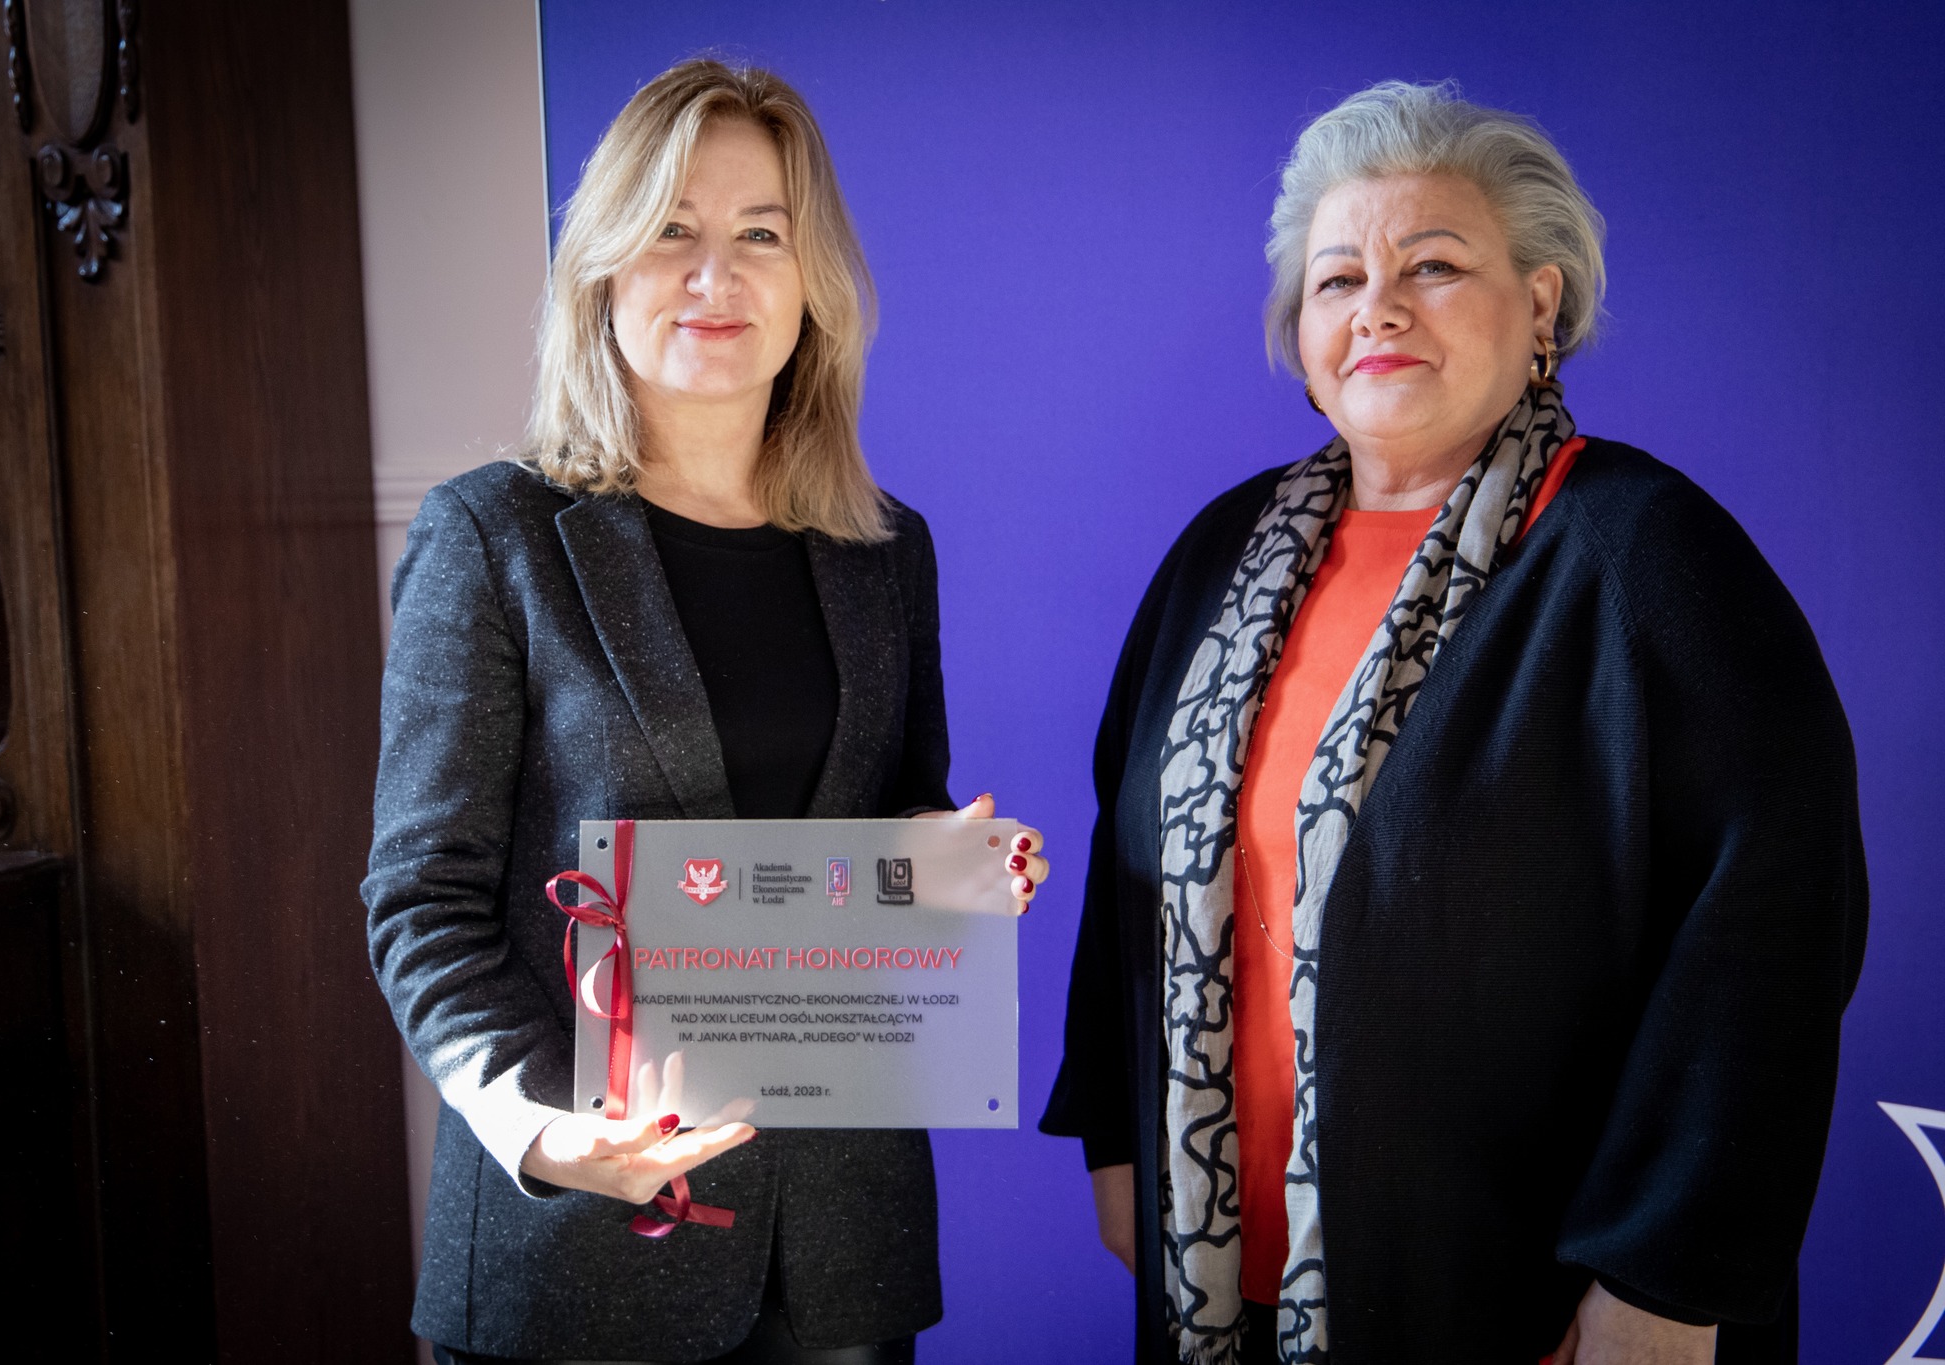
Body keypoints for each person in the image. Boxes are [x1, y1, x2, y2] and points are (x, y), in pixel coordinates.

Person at [1039, 80, 1863, 1365]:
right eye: (1337, 279)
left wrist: (1662, 1276)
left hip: (1543, 1303)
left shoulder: (1644, 558)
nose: (1376, 307)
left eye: (1430, 265)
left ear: (1538, 306)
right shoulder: (1218, 558)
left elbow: (1767, 935)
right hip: (1222, 1276)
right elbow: (1125, 869)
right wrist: (1115, 1135)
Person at [364, 60, 1046, 1365]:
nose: (713, 276)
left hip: (840, 1261)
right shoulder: (491, 536)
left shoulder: (883, 549)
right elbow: (421, 901)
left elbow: (889, 819)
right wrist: (543, 1129)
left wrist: (953, 870)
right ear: (602, 268)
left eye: (760, 235)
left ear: (812, 284)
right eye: (671, 230)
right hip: (579, 1256)